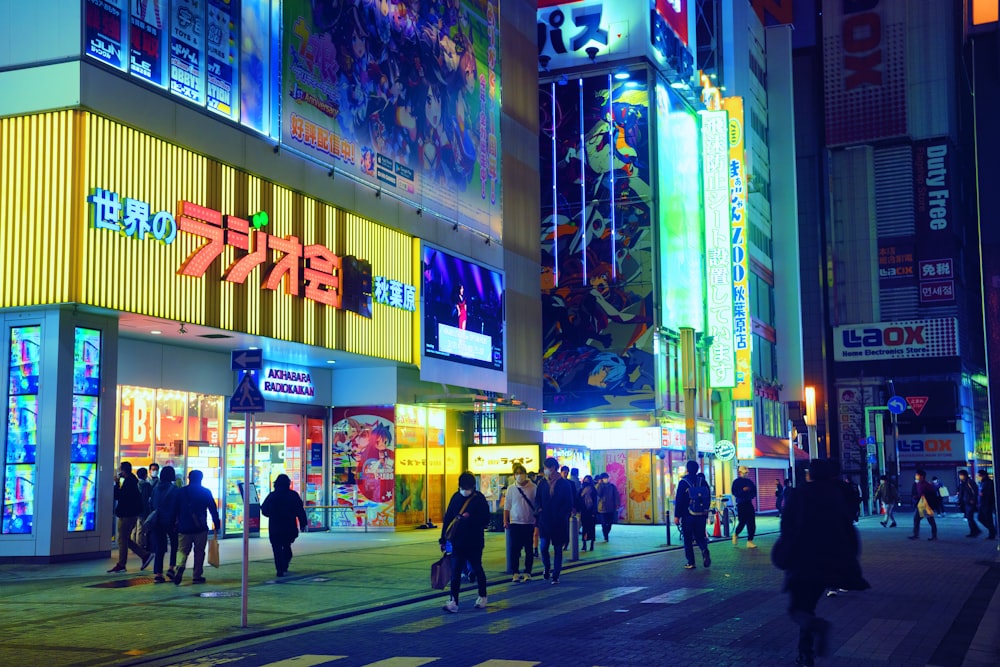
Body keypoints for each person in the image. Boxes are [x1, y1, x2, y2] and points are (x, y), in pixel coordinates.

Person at [776, 459, 870, 666]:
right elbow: (848, 527)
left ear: (811, 473)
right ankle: (805, 654)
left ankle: (815, 631)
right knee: (807, 606)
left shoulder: (800, 493)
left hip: (803, 559)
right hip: (830, 561)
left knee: (798, 610)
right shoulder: (836, 494)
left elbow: (788, 524)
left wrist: (785, 550)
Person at [440, 472, 490, 612]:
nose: (465, 490)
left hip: (474, 541)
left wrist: (471, 517)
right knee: (455, 572)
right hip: (458, 541)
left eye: (467, 487)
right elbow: (448, 519)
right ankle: (453, 601)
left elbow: (485, 520)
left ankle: (482, 596)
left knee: (477, 568)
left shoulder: (479, 499)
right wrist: (442, 539)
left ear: (473, 486)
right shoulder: (456, 498)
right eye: (462, 487)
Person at [172, 469, 221, 585]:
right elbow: (213, 509)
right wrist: (216, 524)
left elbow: (174, 509)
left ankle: (179, 567)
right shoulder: (205, 492)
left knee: (182, 551)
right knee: (199, 552)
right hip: (200, 527)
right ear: (201, 479)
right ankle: (196, 576)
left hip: (184, 527)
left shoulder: (181, 492)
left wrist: (173, 523)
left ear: (189, 478)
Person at [107, 461, 153, 573]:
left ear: (124, 470)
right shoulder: (132, 481)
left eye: (120, 469)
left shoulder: (129, 482)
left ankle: (122, 564)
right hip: (131, 514)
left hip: (127, 515)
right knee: (125, 539)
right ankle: (144, 555)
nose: (119, 471)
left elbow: (119, 496)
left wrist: (116, 484)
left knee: (122, 539)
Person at [260, 474, 309, 577]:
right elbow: (300, 510)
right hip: (289, 526)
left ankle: (279, 569)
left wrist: (272, 514)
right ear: (288, 484)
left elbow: (264, 510)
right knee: (287, 546)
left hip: (275, 527)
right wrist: (303, 523)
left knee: (276, 549)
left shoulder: (272, 496)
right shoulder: (293, 495)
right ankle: (284, 564)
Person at [535, 457, 574, 584]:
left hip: (558, 522)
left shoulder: (564, 484)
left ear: (552, 468)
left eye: (546, 468)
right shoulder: (542, 483)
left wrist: (561, 515)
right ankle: (547, 567)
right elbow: (537, 499)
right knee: (543, 547)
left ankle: (556, 575)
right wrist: (539, 509)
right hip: (545, 521)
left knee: (558, 549)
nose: (545, 470)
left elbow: (568, 503)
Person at [674, 460, 711, 570]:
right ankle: (704, 549)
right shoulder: (703, 481)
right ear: (697, 469)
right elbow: (708, 497)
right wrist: (706, 511)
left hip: (687, 514)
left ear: (687, 469)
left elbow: (679, 500)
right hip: (701, 514)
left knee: (688, 538)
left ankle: (691, 562)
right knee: (700, 536)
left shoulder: (683, 482)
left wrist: (677, 516)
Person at [503, 464, 536, 582]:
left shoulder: (533, 487)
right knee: (515, 549)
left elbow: (536, 505)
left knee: (528, 549)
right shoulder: (511, 488)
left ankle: (528, 572)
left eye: (521, 473)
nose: (519, 476)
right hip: (515, 522)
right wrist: (505, 520)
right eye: (516, 473)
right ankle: (515, 572)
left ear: (525, 474)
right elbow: (507, 505)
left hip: (528, 522)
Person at [149, 465, 180, 583]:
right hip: (171, 521)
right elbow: (178, 506)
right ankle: (171, 568)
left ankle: (158, 573)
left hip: (157, 521)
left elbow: (151, 504)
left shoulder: (155, 488)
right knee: (174, 544)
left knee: (160, 547)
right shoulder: (174, 489)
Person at [908, 469, 939, 541]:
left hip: (926, 505)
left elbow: (932, 496)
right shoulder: (917, 484)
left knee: (930, 520)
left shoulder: (927, 485)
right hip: (920, 504)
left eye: (917, 475)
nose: (915, 476)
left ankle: (934, 536)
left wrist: (931, 505)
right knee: (916, 519)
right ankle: (916, 534)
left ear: (921, 476)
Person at [731, 466, 757, 548]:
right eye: (745, 473)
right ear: (740, 473)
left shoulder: (749, 482)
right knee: (742, 521)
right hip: (741, 503)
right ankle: (736, 533)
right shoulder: (736, 482)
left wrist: (750, 495)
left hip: (748, 502)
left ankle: (750, 540)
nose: (746, 474)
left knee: (752, 522)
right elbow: (734, 492)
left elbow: (754, 491)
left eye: (747, 473)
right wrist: (743, 491)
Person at [596, 472, 621, 542]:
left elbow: (616, 496)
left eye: (606, 478)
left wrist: (617, 504)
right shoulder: (599, 486)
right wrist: (600, 484)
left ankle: (606, 533)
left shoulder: (612, 486)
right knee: (603, 524)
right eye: (604, 478)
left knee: (609, 523)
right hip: (602, 508)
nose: (606, 479)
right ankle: (605, 536)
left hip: (611, 508)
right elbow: (598, 493)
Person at [956, 469, 980, 538]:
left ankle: (974, 531)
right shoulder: (962, 483)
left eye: (961, 475)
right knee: (969, 517)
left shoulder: (970, 482)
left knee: (969, 517)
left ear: (964, 475)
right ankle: (974, 531)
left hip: (969, 502)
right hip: (965, 502)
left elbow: (975, 491)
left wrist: (973, 499)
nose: (960, 476)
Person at [135, 467, 153, 551]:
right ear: (145, 475)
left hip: (136, 510)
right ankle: (140, 546)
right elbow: (149, 497)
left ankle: (136, 544)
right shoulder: (147, 485)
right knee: (141, 529)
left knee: (136, 528)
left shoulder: (136, 484)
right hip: (144, 510)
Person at [579, 474, 598, 551]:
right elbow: (579, 500)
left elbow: (595, 501)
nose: (586, 481)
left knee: (592, 528)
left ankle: (591, 544)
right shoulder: (581, 490)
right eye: (585, 480)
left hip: (591, 512)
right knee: (584, 528)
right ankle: (584, 544)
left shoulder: (593, 490)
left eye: (588, 480)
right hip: (584, 511)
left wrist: (594, 511)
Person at [978, 470, 997, 539]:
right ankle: (992, 531)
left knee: (988, 519)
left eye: (979, 475)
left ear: (984, 475)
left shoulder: (989, 483)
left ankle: (992, 533)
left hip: (987, 504)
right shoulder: (981, 483)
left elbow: (989, 495)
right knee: (980, 518)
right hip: (981, 504)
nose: (978, 477)